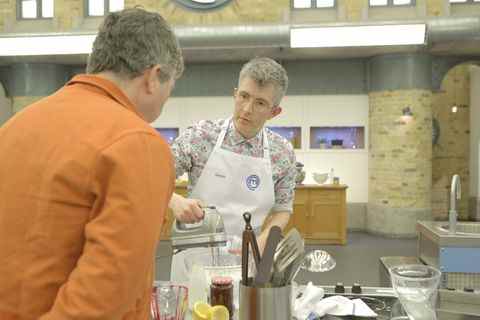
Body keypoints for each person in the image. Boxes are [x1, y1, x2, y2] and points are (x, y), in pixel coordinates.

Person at [0, 8, 183, 320]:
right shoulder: (138, 143)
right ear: (153, 77)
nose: (166, 100)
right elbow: (106, 291)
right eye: (171, 86)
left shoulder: (15, 128)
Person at [169, 57, 296, 281]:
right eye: (244, 96)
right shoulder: (201, 135)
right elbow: (153, 178)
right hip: (193, 260)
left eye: (260, 103)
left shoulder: (282, 153)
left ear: (274, 112)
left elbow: (283, 210)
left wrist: (268, 236)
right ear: (235, 93)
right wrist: (174, 200)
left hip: (247, 260)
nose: (247, 109)